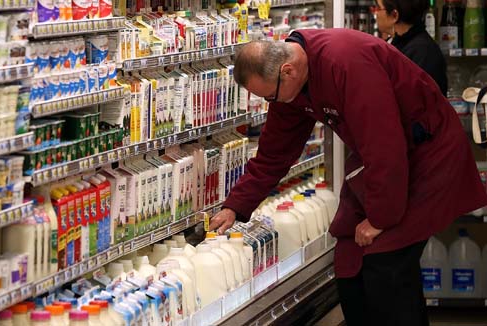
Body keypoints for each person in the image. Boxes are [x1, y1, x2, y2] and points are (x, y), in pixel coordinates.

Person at [208, 29, 487, 326]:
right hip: (388, 159)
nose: (271, 103)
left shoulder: (346, 64)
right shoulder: (289, 85)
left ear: (287, 70)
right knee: (349, 258)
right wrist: (235, 206)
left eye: (270, 96)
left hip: (428, 154)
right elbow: (274, 153)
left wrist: (380, 219)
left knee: (385, 261)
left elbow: (384, 143)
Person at [374, 0, 448, 95]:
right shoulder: (399, 43)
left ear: (394, 15)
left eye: (378, 8)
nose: (376, 13)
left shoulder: (423, 51)